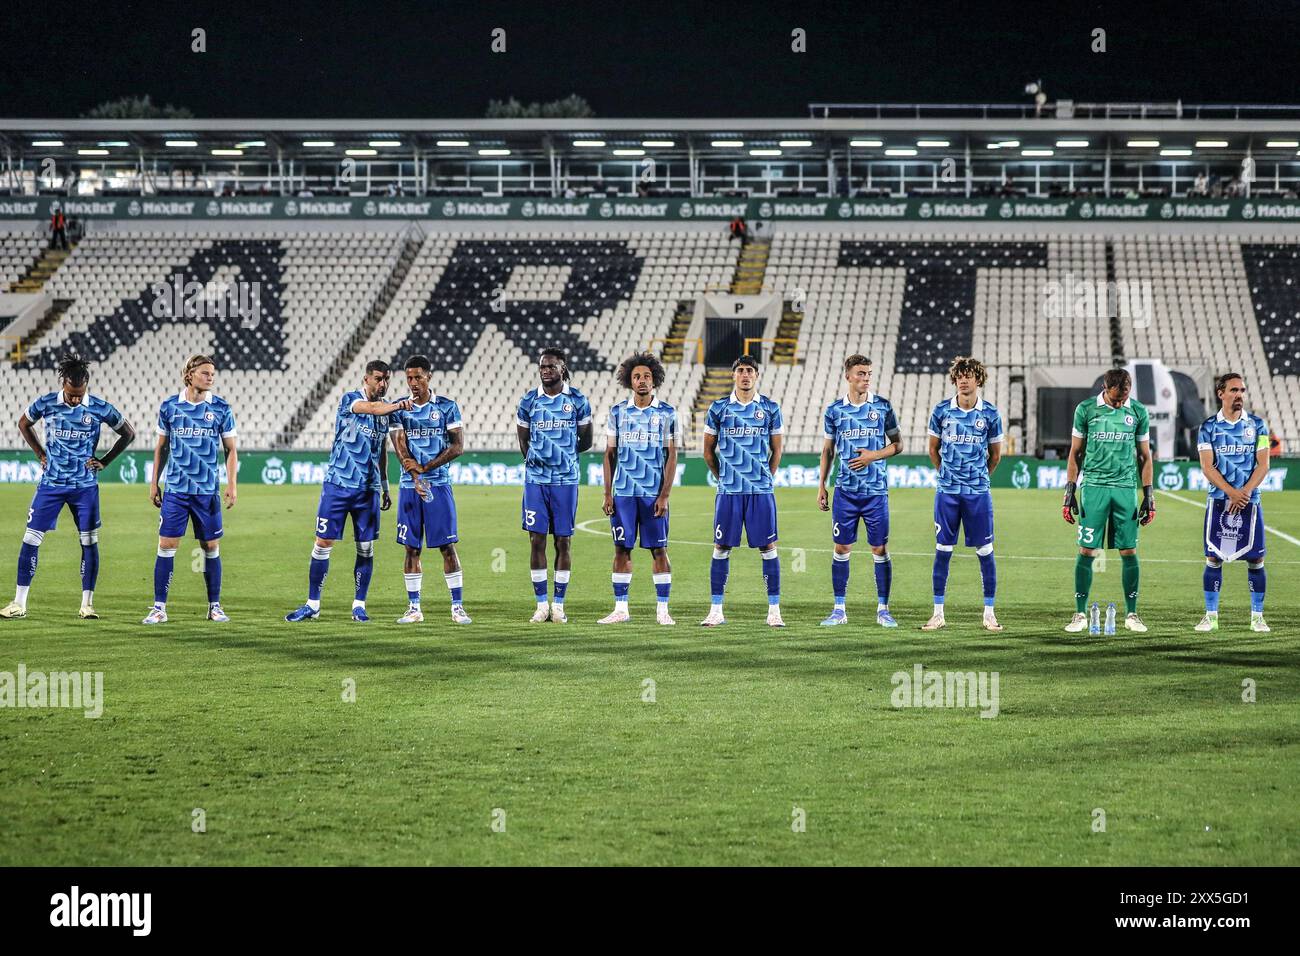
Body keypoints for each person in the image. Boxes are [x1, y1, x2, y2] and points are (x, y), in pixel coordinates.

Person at [0, 354, 134, 620]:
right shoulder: (47, 402)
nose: (75, 399)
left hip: (84, 487)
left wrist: (104, 461)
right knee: (30, 538)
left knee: (88, 541)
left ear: (86, 386)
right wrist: (39, 452)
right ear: (63, 383)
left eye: (79, 394)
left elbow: (128, 433)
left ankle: (87, 605)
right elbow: (24, 423)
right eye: (71, 394)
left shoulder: (98, 407)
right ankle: (19, 603)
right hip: (51, 484)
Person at [285, 361, 410, 623]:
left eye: (386, 379)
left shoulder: (386, 412)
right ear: (366, 379)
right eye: (378, 379)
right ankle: (313, 604)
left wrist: (385, 485)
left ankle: (359, 605)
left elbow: (382, 450)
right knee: (323, 543)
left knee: (365, 547)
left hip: (368, 490)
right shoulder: (350, 400)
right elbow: (372, 408)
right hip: (338, 485)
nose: (383, 384)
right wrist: (399, 404)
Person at [143, 355, 237, 624]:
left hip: (207, 491)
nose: (211, 377)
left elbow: (231, 450)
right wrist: (154, 483)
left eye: (212, 373)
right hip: (176, 489)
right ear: (190, 375)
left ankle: (214, 606)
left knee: (210, 546)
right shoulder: (169, 406)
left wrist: (231, 485)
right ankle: (159, 607)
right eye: (206, 373)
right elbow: (161, 447)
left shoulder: (221, 408)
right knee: (167, 544)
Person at [1062, 367, 1153, 633]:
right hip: (1094, 487)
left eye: (1124, 397)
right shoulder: (1086, 410)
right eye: (1115, 398)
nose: (1119, 402)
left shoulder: (1137, 411)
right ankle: (1079, 615)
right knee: (1087, 550)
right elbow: (1075, 453)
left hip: (1125, 488)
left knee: (1129, 551)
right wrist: (1069, 492)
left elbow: (1145, 456)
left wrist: (1149, 494)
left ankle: (1132, 615)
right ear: (1105, 387)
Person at [817, 354, 902, 627]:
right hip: (845, 491)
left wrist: (872, 456)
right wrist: (822, 486)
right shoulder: (834, 410)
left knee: (879, 548)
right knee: (841, 547)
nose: (865, 378)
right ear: (848, 376)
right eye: (861, 373)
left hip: (876, 491)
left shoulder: (882, 407)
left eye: (868, 373)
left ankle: (883, 609)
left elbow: (898, 445)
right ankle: (839, 609)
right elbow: (828, 450)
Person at [701, 355, 785, 627]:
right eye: (740, 370)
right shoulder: (719, 408)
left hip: (760, 491)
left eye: (750, 371)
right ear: (733, 375)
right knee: (721, 546)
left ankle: (774, 610)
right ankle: (716, 610)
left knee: (768, 546)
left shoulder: (770, 408)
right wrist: (724, 477)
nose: (745, 375)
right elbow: (708, 451)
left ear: (757, 375)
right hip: (729, 491)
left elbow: (777, 449)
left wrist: (765, 477)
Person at [923, 356, 1004, 632]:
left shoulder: (990, 414)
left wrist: (976, 479)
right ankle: (937, 614)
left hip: (977, 493)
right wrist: (948, 476)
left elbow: (995, 456)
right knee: (942, 551)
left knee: (985, 551)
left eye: (969, 375)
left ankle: (989, 613)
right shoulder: (942, 410)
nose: (963, 379)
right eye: (959, 375)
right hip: (947, 493)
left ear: (978, 379)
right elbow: (933, 450)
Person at [389, 355, 470, 624]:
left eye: (418, 377)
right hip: (409, 486)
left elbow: (457, 446)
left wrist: (428, 468)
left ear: (429, 377)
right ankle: (414, 608)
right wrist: (415, 475)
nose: (413, 383)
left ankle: (457, 607)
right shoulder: (400, 408)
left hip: (439, 484)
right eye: (409, 378)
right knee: (411, 548)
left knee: (447, 546)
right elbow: (399, 446)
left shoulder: (447, 407)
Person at [599, 352, 678, 625]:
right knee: (621, 549)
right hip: (623, 493)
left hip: (652, 493)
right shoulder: (618, 412)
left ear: (654, 379)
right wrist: (607, 492)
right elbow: (609, 454)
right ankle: (621, 609)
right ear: (629, 381)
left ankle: (662, 610)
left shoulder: (667, 412)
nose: (642, 381)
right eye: (636, 376)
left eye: (646, 376)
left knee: (659, 550)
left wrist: (665, 494)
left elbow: (672, 456)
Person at [516, 348, 593, 623]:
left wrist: (563, 458)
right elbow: (523, 441)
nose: (545, 370)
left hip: (566, 481)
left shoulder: (578, 400)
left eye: (551, 366)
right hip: (536, 481)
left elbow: (586, 441)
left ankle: (558, 604)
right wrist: (539, 462)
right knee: (536, 540)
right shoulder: (528, 401)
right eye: (542, 366)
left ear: (563, 368)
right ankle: (541, 604)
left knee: (563, 540)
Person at [1194, 373, 1270, 633]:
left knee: (1256, 560)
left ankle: (1257, 617)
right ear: (1221, 393)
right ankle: (1211, 617)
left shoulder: (1258, 425)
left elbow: (1264, 464)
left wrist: (1244, 492)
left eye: (1242, 390)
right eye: (1234, 390)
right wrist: (1230, 493)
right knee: (1213, 558)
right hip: (1218, 502)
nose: (1239, 395)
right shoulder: (1208, 428)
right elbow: (1207, 466)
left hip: (1251, 502)